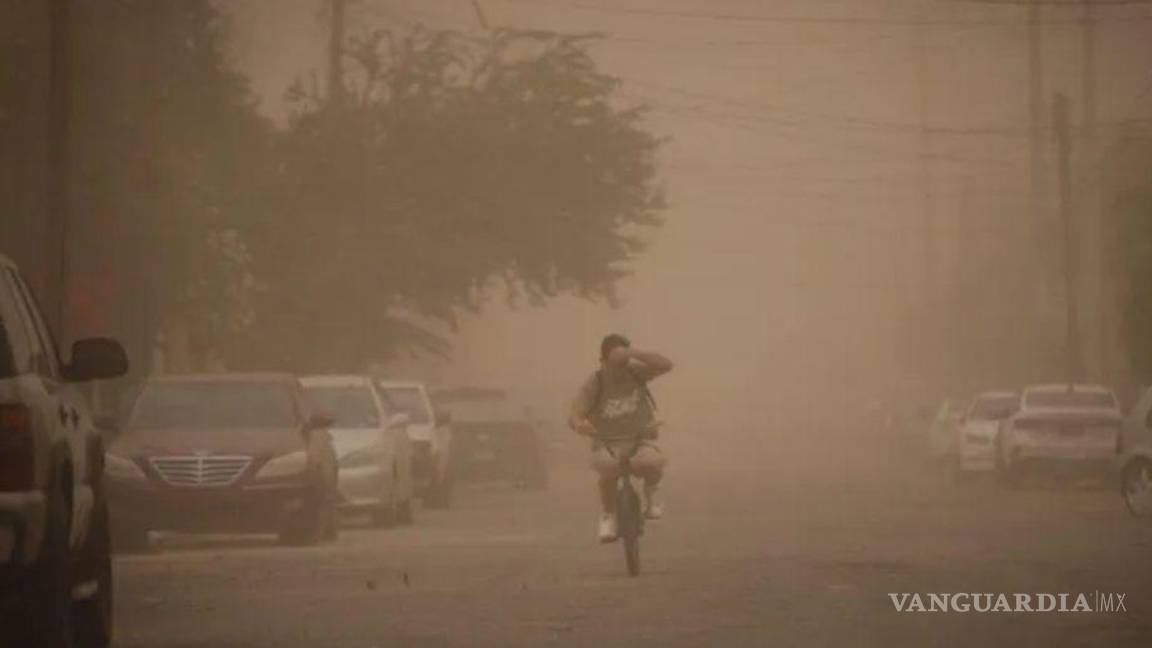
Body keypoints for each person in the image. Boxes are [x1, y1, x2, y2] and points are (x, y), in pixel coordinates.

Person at [569, 334, 673, 542]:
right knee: (608, 471)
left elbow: (666, 365)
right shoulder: (596, 381)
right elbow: (576, 413)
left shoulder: (636, 372)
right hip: (607, 442)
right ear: (603, 360)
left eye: (623, 361)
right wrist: (580, 424)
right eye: (615, 360)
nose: (620, 367)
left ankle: (651, 495)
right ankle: (608, 515)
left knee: (652, 463)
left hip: (639, 439)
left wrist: (632, 353)